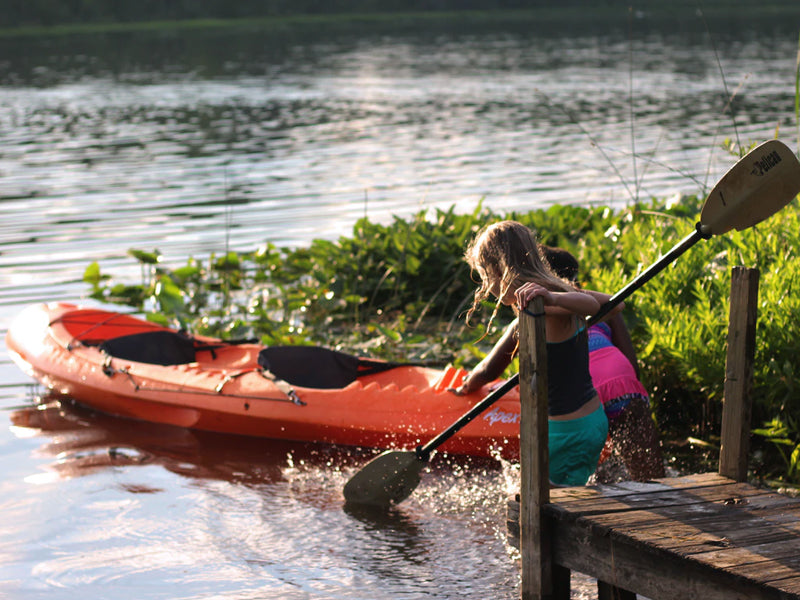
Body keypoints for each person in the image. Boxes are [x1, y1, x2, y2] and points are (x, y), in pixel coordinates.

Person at [450, 220, 611, 487]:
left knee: (545, 511)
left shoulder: (544, 307)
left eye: (484, 276)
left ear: (498, 271)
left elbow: (593, 305)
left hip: (565, 433)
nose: (486, 287)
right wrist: (560, 293)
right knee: (566, 498)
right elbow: (614, 304)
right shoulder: (556, 298)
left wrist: (466, 386)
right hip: (590, 421)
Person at [542, 246, 665, 481]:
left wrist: (469, 383)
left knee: (591, 481)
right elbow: (631, 361)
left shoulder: (535, 308)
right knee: (651, 479)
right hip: (622, 384)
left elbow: (489, 368)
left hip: (582, 398)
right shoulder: (597, 304)